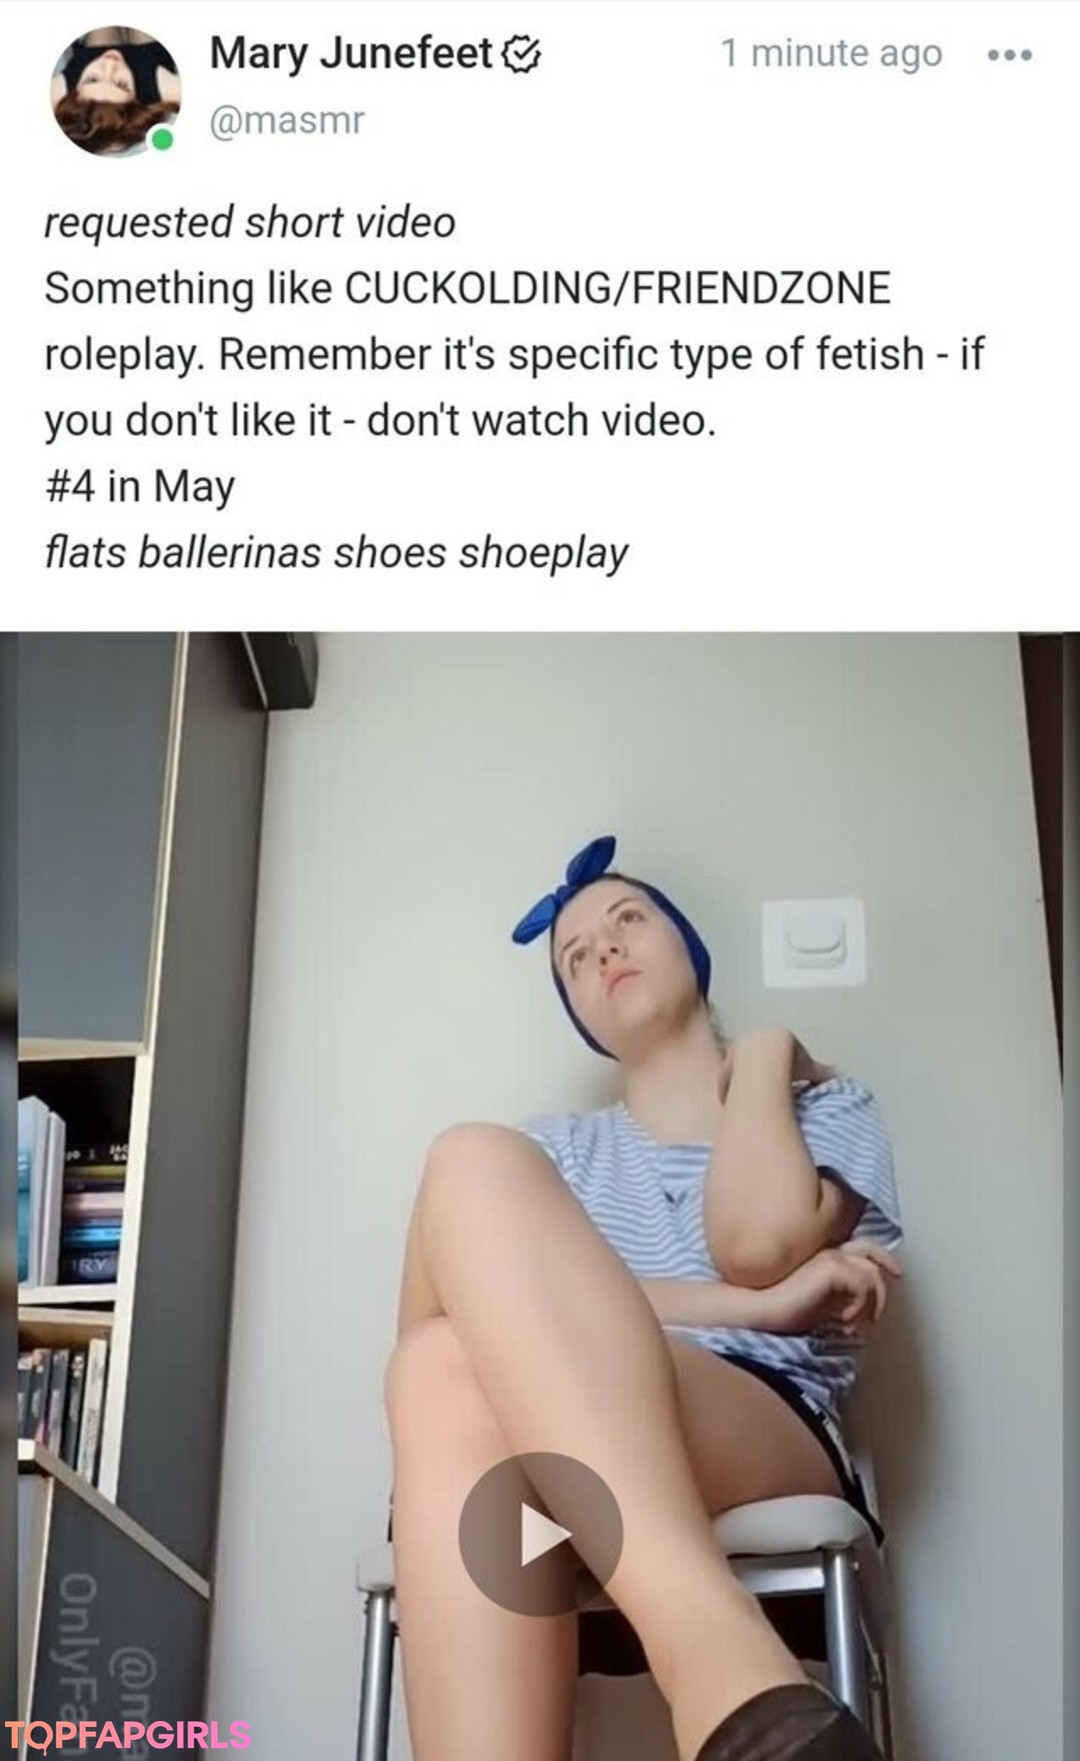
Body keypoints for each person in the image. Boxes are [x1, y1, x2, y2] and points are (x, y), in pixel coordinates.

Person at [384, 835, 903, 1761]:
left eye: (628, 919)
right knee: (446, 1329)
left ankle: (715, 1665)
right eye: (575, 957)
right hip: (534, 1462)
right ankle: (737, 1689)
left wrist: (765, 1056)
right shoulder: (552, 1155)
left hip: (755, 1422)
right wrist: (764, 1306)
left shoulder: (825, 1107)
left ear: (688, 946)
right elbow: (492, 1325)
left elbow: (754, 1242)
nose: (605, 950)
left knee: (454, 1356)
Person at [51, 29, 179, 155]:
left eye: (93, 79)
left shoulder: (64, 92)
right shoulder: (161, 87)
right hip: (148, 56)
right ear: (134, 100)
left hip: (94, 52)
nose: (110, 63)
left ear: (75, 92)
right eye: (121, 84)